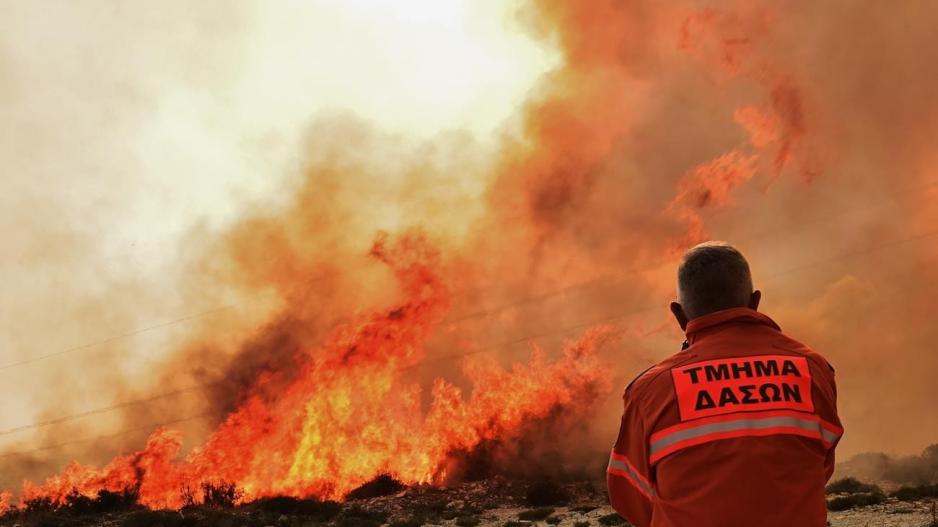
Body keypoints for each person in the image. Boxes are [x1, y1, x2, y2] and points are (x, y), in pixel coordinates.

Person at [606, 242, 842, 527]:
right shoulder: (812, 369)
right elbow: (820, 465)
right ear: (754, 302)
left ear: (679, 315)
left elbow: (629, 495)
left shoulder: (652, 389)